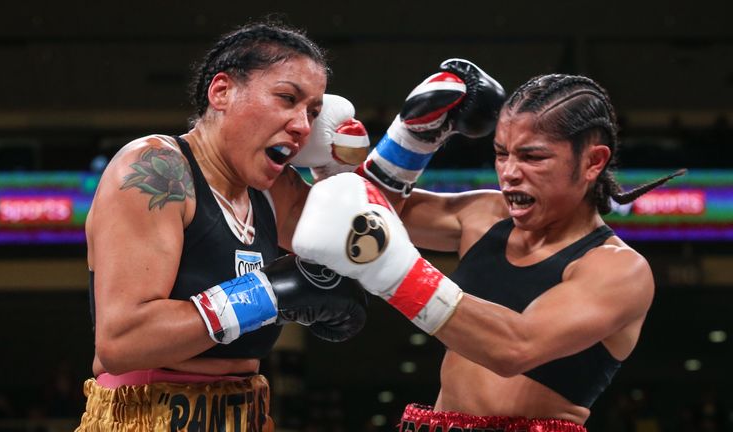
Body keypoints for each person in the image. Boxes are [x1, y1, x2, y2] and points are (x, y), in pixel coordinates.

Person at [292, 71, 684, 431]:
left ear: (593, 161)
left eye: (532, 156)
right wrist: (408, 141)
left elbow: (515, 347)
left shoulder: (617, 270)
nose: (510, 171)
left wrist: (392, 273)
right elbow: (372, 211)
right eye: (501, 153)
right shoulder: (484, 216)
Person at [77, 22, 372, 431]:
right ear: (222, 92)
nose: (303, 125)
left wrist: (341, 167)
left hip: (247, 414)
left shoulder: (273, 190)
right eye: (287, 98)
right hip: (148, 417)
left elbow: (372, 237)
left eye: (313, 112)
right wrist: (266, 295)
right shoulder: (156, 171)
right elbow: (122, 342)